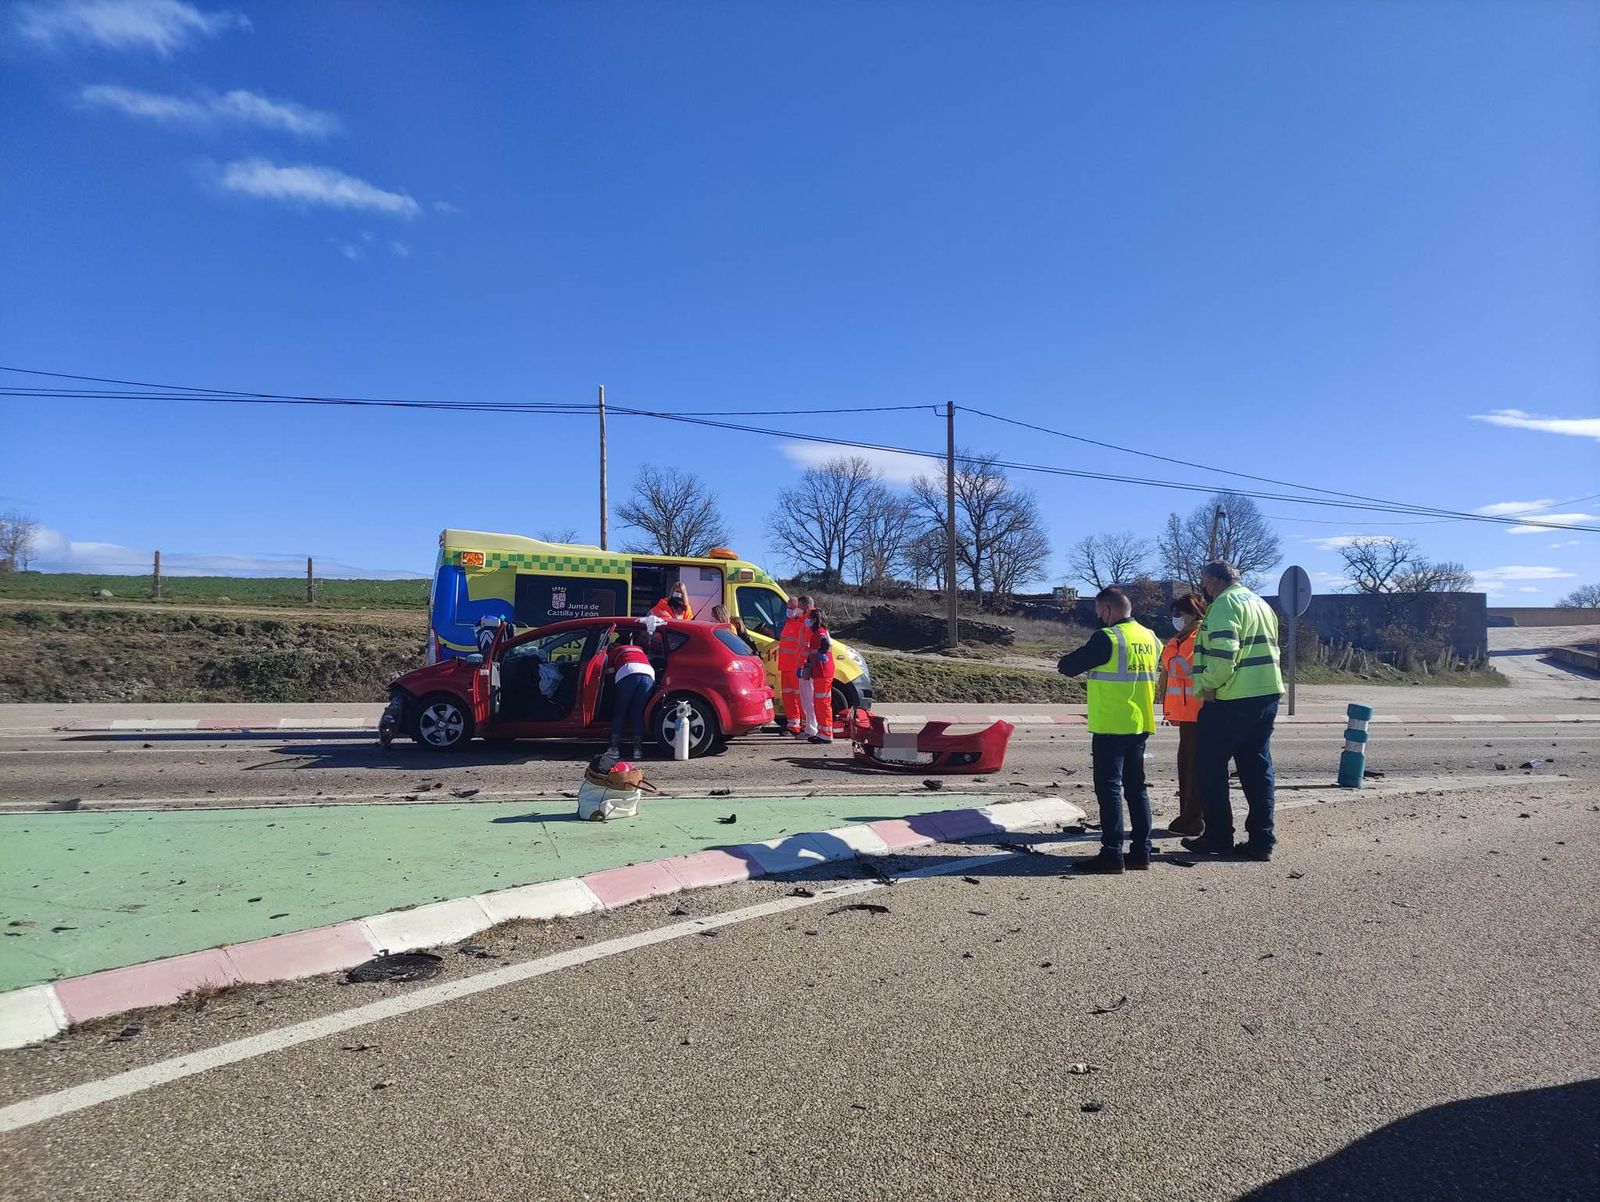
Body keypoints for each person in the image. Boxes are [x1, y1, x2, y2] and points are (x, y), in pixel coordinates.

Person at [1183, 560, 1285, 862]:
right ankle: (1262, 838)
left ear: (1214, 580)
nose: (1202, 586)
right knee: (1256, 768)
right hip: (1266, 695)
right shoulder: (1260, 604)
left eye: (1203, 579)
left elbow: (1224, 655)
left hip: (1231, 698)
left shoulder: (1224, 606)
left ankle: (1218, 836)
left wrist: (1207, 685)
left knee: (1210, 768)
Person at [1055, 586, 1162, 873]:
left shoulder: (1108, 638)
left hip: (1112, 724)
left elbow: (1067, 666)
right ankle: (1141, 852)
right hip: (1140, 722)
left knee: (1110, 789)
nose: (1099, 618)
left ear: (1107, 610)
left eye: (1098, 613)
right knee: (1136, 789)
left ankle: (1112, 853)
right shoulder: (1151, 637)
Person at [1157, 592, 1208, 838]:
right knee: (1187, 765)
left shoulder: (1196, 636)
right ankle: (1189, 816)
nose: (1175, 618)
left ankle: (1193, 819)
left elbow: (1178, 666)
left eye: (1178, 613)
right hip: (1188, 711)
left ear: (1193, 612)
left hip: (1197, 711)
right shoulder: (1184, 636)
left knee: (1192, 765)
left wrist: (1170, 647)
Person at [605, 627, 656, 760]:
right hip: (648, 675)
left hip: (627, 673)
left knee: (619, 712)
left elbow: (610, 673)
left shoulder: (615, 651)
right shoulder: (640, 650)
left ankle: (614, 749)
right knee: (638, 713)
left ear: (617, 644)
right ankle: (637, 750)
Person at [797, 605, 835, 744]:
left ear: (815, 620)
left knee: (822, 703)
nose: (807, 621)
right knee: (819, 703)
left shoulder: (820, 632)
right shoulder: (817, 633)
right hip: (819, 671)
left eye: (809, 619)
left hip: (823, 672)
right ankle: (822, 732)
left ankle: (825, 733)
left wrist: (821, 653)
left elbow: (825, 643)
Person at [777, 594, 811, 736]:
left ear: (798, 608)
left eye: (791, 607)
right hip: (785, 666)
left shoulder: (802, 624)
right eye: (788, 607)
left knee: (799, 697)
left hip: (795, 666)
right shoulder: (789, 622)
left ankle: (804, 725)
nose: (789, 609)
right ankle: (793, 725)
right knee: (788, 697)